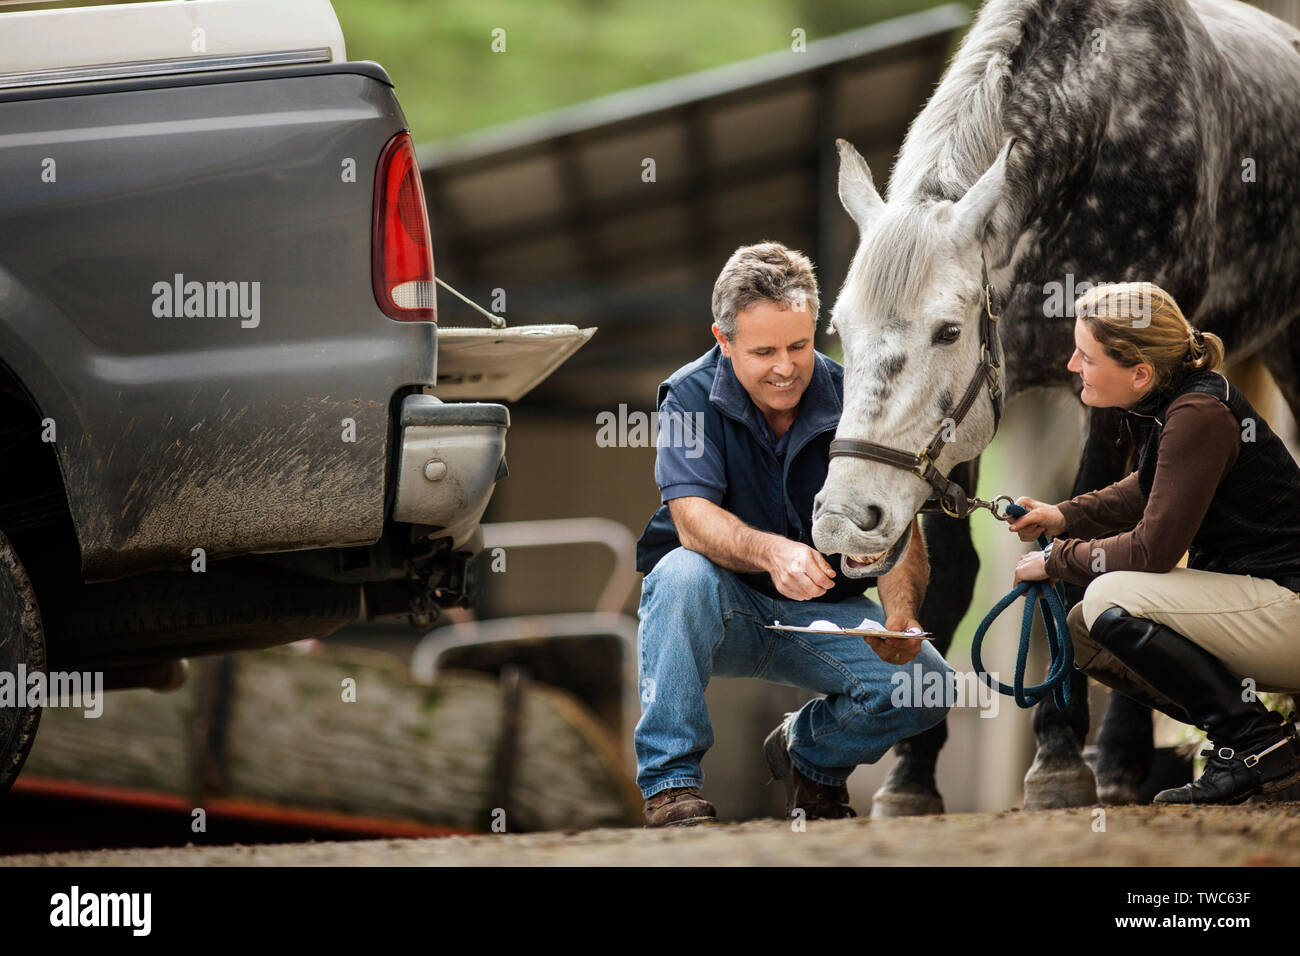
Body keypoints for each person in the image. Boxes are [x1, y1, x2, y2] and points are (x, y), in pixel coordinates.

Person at [633, 241, 953, 827]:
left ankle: (810, 760)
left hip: (818, 617)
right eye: (763, 351)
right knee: (678, 572)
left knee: (930, 686)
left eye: (799, 345)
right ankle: (670, 785)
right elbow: (691, 517)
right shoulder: (686, 396)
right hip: (718, 606)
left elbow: (896, 523)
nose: (785, 366)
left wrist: (901, 617)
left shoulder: (858, 396)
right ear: (723, 340)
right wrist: (772, 550)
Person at [1007, 281, 1300, 805]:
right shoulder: (1180, 399)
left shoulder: (1198, 414)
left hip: (1289, 609)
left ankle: (1256, 745)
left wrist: (1057, 560)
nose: (1073, 366)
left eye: (1086, 356)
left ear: (1139, 373)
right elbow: (1147, 489)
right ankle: (1255, 738)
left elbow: (1151, 553)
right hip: (1272, 607)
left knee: (1105, 599)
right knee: (1084, 630)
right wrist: (1062, 515)